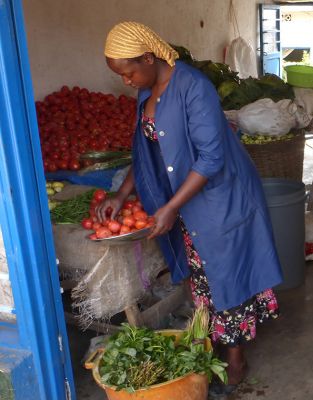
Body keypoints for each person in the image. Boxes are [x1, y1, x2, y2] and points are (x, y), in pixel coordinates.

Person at [98, 21, 282, 392]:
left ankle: (235, 359)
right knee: (202, 274)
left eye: (129, 72)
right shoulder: (146, 91)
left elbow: (211, 159)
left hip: (220, 197)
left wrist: (170, 207)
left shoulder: (194, 88)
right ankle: (211, 342)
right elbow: (148, 152)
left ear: (149, 57)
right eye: (121, 75)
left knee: (227, 274)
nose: (127, 81)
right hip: (185, 197)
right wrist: (122, 194)